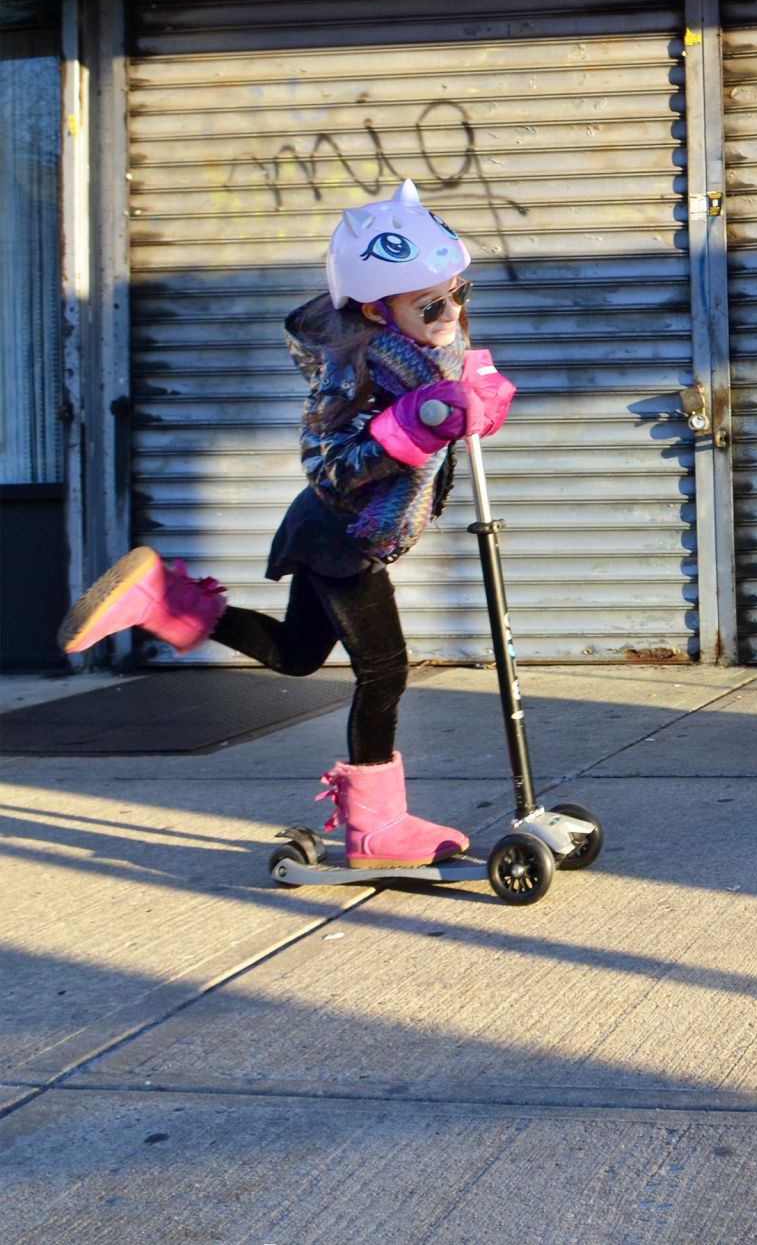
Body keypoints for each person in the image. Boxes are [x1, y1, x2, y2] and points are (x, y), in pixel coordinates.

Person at [56, 180, 515, 868]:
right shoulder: (355, 369)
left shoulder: (426, 352)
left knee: (299, 653)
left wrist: (475, 407)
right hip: (340, 536)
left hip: (339, 536)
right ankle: (374, 830)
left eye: (459, 293)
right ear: (374, 306)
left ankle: (161, 599)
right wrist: (408, 428)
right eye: (432, 302)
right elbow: (330, 467)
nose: (452, 310)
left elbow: (450, 413)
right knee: (385, 673)